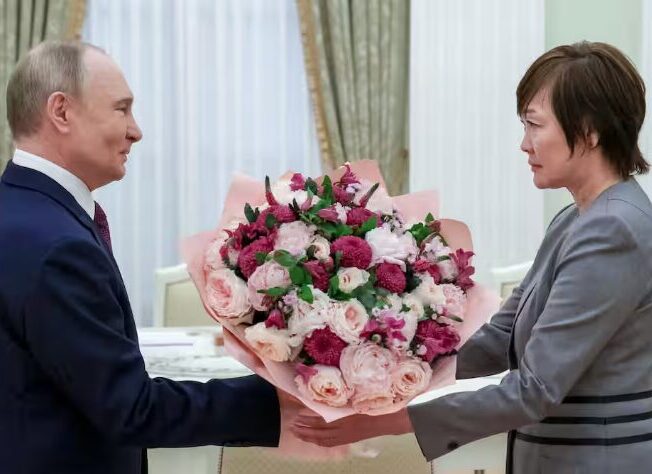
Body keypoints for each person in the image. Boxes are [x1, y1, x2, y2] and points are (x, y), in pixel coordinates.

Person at [292, 41, 652, 473]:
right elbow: (500, 337)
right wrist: (377, 374)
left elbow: (535, 390)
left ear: (591, 131)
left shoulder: (612, 229)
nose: (524, 144)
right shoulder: (576, 218)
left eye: (535, 125)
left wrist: (387, 422)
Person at [0, 40, 283, 474]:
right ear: (61, 112)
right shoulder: (58, 245)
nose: (136, 131)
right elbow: (131, 408)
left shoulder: (20, 210)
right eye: (122, 109)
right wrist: (280, 402)